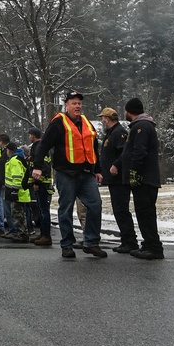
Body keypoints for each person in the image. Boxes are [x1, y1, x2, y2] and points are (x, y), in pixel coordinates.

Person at [32, 90, 106, 260]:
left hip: (86, 173)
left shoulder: (87, 122)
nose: (77, 106)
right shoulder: (59, 122)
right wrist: (37, 167)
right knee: (66, 208)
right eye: (74, 103)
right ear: (66, 105)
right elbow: (43, 145)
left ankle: (91, 243)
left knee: (95, 205)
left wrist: (98, 169)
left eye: (79, 103)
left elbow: (94, 147)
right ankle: (67, 245)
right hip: (66, 174)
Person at [121, 97, 164, 260]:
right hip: (146, 178)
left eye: (125, 110)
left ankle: (153, 247)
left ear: (129, 110)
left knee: (145, 213)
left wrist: (134, 171)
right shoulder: (142, 125)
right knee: (144, 212)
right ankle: (148, 243)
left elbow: (140, 151)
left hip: (144, 179)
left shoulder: (141, 126)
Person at [99, 106, 138, 253]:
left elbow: (125, 152)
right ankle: (126, 240)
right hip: (113, 180)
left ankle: (130, 241)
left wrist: (116, 165)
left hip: (119, 180)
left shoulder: (119, 133)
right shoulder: (111, 133)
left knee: (121, 210)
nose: (102, 121)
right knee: (118, 210)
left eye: (103, 118)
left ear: (108, 119)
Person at [27, 126, 53, 246]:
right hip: (39, 183)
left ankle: (46, 236)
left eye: (30, 134)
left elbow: (44, 166)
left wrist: (37, 182)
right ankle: (42, 234)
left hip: (43, 184)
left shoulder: (41, 147)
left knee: (44, 210)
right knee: (40, 209)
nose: (29, 137)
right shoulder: (36, 147)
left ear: (33, 135)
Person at [2, 142, 32, 242]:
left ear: (9, 150)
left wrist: (14, 191)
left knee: (17, 214)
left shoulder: (14, 161)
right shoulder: (19, 158)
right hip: (21, 192)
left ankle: (22, 234)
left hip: (17, 193)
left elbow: (17, 176)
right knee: (20, 214)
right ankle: (23, 233)